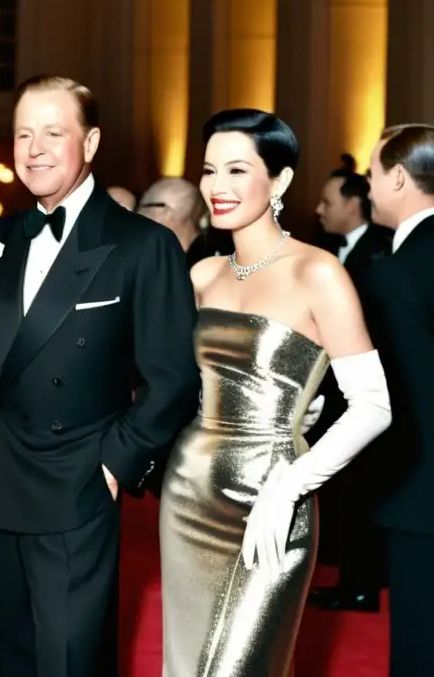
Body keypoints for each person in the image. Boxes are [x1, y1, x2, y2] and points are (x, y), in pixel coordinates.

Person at [0, 75, 201, 676]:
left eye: (54, 132)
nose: (34, 149)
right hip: (0, 480)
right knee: (10, 655)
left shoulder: (142, 244)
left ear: (91, 142)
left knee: (72, 659)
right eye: (23, 133)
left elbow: (173, 376)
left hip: (77, 479)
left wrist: (116, 462)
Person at [159, 109, 392, 676]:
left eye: (237, 170)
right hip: (188, 493)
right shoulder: (201, 276)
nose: (218, 186)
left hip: (273, 499)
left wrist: (289, 485)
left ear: (280, 180)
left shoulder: (318, 273)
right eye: (210, 170)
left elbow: (374, 405)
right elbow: (173, 385)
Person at [360, 123, 434, 676]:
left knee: (419, 642)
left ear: (400, 179)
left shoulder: (397, 272)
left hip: (421, 491)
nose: (367, 187)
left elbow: (402, 395)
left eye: (372, 174)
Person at [308, 162, 391, 613]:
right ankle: (350, 571)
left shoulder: (383, 250)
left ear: (353, 204)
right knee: (345, 491)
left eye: (328, 201)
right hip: (333, 395)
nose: (320, 210)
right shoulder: (326, 251)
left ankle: (362, 582)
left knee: (362, 491)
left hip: (367, 394)